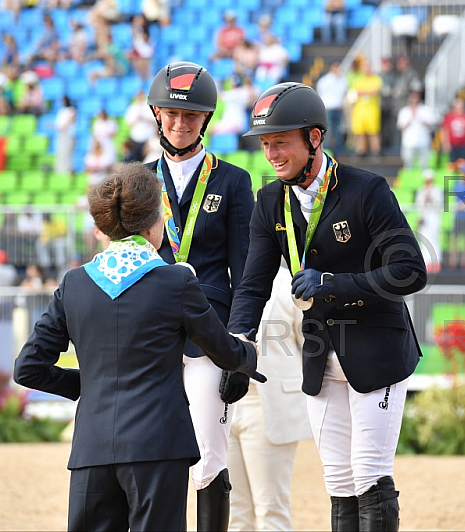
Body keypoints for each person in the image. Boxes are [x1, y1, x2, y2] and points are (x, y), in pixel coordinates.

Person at [12, 163, 263, 531]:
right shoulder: (175, 280)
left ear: (103, 229)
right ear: (152, 226)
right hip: (158, 446)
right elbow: (223, 351)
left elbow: (28, 368)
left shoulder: (75, 283)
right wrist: (250, 354)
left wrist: (92, 384)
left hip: (91, 449)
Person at [227, 82, 427, 531]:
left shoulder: (367, 190)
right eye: (265, 145)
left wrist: (333, 284)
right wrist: (237, 343)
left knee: (369, 472)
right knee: (337, 479)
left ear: (314, 137)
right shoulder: (269, 201)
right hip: (319, 355)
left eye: (280, 142)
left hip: (376, 350)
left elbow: (410, 271)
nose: (272, 154)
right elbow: (252, 285)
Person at [146, 61, 255, 531]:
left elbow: (248, 273)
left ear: (205, 119)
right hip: (150, 335)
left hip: (210, 335)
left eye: (191, 116)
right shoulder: (138, 181)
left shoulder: (232, 181)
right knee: (151, 451)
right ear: (156, 114)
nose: (179, 123)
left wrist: (241, 349)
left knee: (209, 451)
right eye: (171, 113)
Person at [227, 264, 311, 531]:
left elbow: (307, 341)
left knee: (271, 510)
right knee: (234, 514)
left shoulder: (287, 281)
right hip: (224, 404)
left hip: (268, 405)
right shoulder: (219, 275)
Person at [440, 96, 465, 164]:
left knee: (463, 163)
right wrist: (445, 143)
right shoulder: (449, 117)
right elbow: (445, 131)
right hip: (453, 144)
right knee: (452, 163)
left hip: (464, 144)